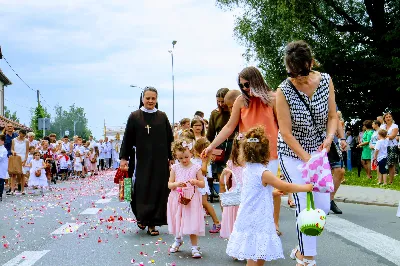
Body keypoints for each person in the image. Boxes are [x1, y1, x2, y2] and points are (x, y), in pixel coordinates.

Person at [276, 40, 337, 266]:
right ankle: (307, 259)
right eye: (293, 74)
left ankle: (301, 249)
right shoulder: (283, 90)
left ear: (311, 63)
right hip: (292, 153)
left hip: (318, 151)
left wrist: (329, 138)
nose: (299, 79)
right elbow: (285, 132)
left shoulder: (326, 81)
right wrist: (306, 157)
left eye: (302, 73)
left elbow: (332, 116)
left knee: (322, 206)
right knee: (304, 200)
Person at [202, 69, 282, 235]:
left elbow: (283, 127)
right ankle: (249, 233)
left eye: (247, 84)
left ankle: (266, 230)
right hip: (247, 157)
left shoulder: (273, 98)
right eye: (241, 85)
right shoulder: (240, 101)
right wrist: (211, 146)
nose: (245, 88)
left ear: (257, 80)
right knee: (249, 196)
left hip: (270, 155)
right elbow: (229, 127)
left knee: (265, 194)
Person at [226, 127, 313, 266]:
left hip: (247, 216)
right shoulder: (263, 172)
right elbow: (286, 186)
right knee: (258, 257)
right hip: (258, 218)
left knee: (254, 255)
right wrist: (306, 187)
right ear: (266, 153)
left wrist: (270, 192)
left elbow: (252, 190)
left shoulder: (247, 169)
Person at [120, 86, 174, 236]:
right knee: (139, 188)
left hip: (159, 160)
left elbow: (170, 139)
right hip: (140, 161)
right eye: (148, 98)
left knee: (158, 189)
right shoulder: (134, 116)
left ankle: (153, 223)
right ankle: (141, 217)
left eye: (153, 98)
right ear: (142, 99)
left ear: (157, 100)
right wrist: (124, 158)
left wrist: (172, 158)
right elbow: (127, 139)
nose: (150, 101)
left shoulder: (162, 116)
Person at [167, 138, 205, 259]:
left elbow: (202, 183)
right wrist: (176, 184)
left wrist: (196, 182)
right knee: (178, 219)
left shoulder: (196, 167)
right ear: (176, 156)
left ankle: (194, 246)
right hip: (178, 197)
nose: (184, 160)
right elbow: (169, 184)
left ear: (191, 153)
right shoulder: (174, 168)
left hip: (191, 198)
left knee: (192, 221)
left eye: (186, 157)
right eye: (180, 158)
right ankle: (178, 240)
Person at [191, 137, 221, 233]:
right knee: (198, 204)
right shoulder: (195, 159)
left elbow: (203, 172)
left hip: (201, 184)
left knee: (204, 203)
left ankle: (217, 222)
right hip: (197, 184)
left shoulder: (203, 160)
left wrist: (203, 162)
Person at [219, 132, 243, 240]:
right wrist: (224, 174)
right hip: (236, 194)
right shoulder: (232, 163)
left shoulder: (252, 163)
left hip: (248, 194)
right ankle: (235, 245)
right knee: (235, 221)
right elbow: (223, 181)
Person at [381, 113, 398, 184]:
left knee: (391, 164)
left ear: (392, 118)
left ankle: (391, 181)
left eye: (390, 117)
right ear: (384, 119)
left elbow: (392, 136)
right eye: (387, 117)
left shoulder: (395, 126)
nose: (388, 118)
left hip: (392, 146)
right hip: (383, 146)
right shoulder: (382, 126)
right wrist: (386, 136)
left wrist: (384, 136)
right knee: (382, 163)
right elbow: (379, 135)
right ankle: (382, 180)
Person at [10, 129, 29, 195]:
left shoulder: (26, 141)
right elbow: (12, 149)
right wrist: (13, 152)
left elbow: (27, 152)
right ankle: (12, 189)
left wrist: (25, 160)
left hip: (23, 157)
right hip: (16, 157)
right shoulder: (14, 140)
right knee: (13, 174)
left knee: (22, 174)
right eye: (22, 135)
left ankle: (23, 190)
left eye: (24, 135)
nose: (22, 136)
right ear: (19, 133)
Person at [0, 134, 8, 201]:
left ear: (2, 141)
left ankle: (0, 194)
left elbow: (1, 158)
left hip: (1, 167)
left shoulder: (4, 149)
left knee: (0, 181)